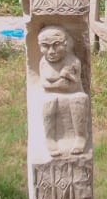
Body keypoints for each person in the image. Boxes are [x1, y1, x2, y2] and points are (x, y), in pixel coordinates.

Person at [38, 26, 89, 157]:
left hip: (74, 93)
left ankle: (80, 136)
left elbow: (74, 83)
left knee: (79, 99)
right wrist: (59, 83)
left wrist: (65, 78)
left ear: (65, 44)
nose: (51, 51)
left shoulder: (72, 61)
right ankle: (50, 138)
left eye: (56, 45)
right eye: (45, 46)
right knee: (49, 101)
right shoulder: (44, 62)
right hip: (52, 94)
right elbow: (44, 84)